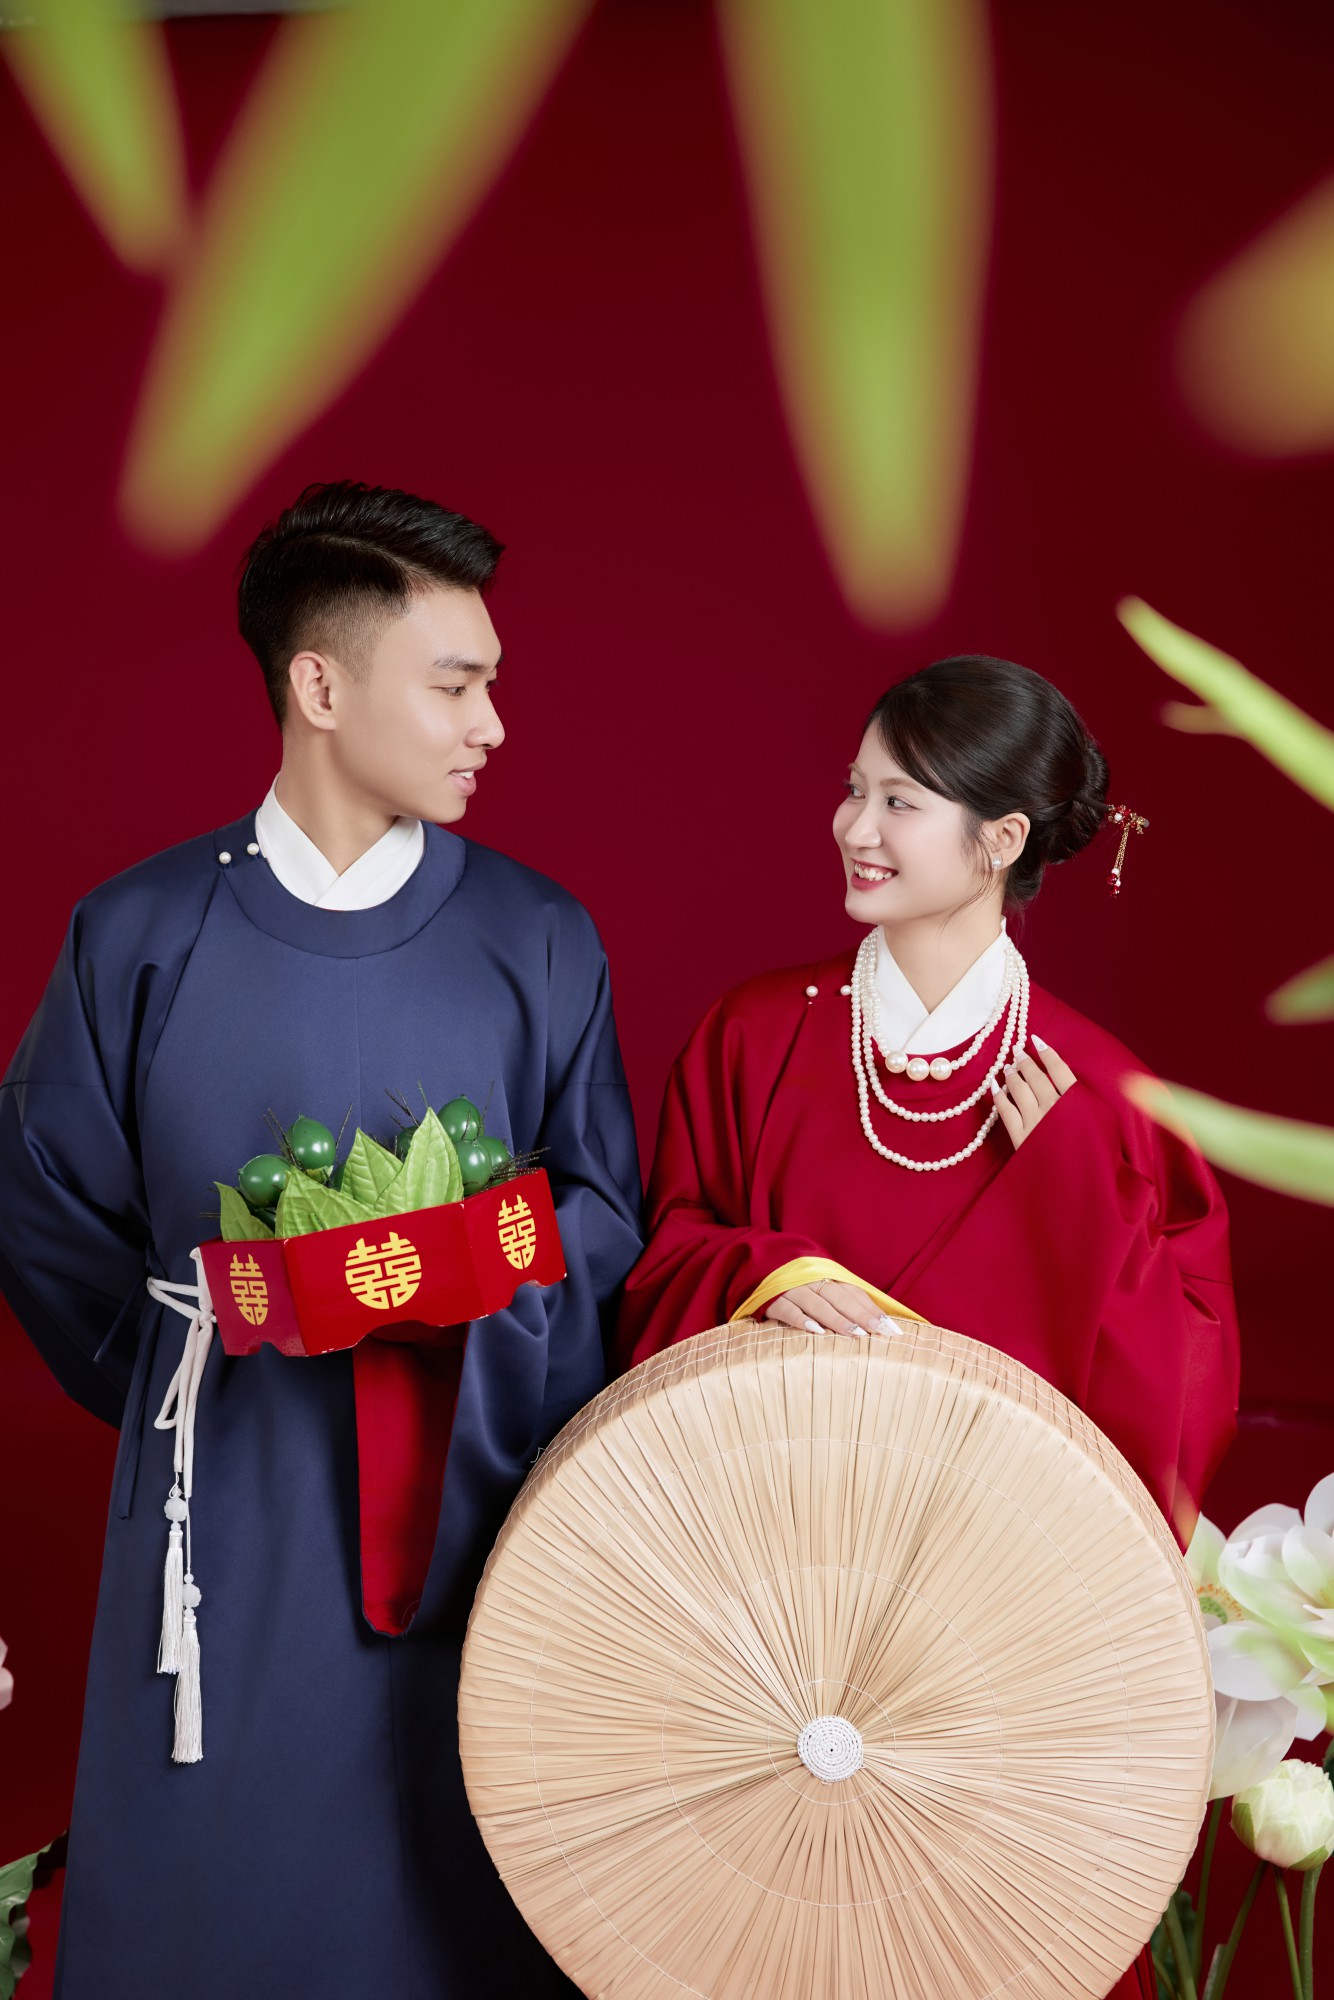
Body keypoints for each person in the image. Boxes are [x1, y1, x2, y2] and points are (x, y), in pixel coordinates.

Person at [0, 480, 643, 1998]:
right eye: (456, 685)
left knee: (453, 1910)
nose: (492, 725)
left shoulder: (538, 935)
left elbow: (604, 1211)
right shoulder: (139, 932)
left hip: (473, 1528)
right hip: (218, 1515)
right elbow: (44, 1197)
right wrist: (194, 1371)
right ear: (321, 685)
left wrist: (454, 1304)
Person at [615, 655, 1238, 2000]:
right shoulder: (750, 1039)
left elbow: (1181, 1395)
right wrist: (761, 1271)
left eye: (899, 801)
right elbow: (656, 1261)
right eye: (853, 790)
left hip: (996, 1645)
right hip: (763, 1628)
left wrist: (1076, 1191)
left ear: (999, 840)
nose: (854, 825)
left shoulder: (1102, 1094)